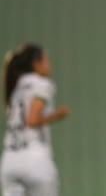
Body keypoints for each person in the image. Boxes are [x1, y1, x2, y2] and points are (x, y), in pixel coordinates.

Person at [0, 43, 69, 196]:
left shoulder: (15, 85)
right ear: (36, 62)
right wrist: (57, 115)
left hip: (10, 159)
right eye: (46, 59)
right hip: (34, 158)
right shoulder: (42, 84)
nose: (49, 64)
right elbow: (32, 119)